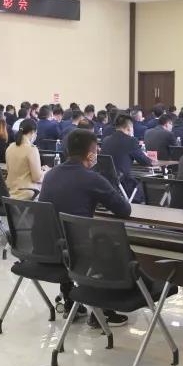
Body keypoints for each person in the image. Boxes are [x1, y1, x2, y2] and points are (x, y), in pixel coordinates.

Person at [39, 128, 132, 327]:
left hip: (48, 248)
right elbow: (124, 210)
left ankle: (71, 301)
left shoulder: (50, 175)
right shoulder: (92, 179)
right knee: (109, 244)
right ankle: (103, 311)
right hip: (77, 252)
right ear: (90, 155)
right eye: (96, 150)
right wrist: (107, 185)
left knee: (68, 234)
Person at [101, 113, 156, 199]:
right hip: (123, 183)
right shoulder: (131, 141)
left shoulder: (106, 140)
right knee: (145, 185)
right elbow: (145, 162)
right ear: (129, 128)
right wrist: (148, 158)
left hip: (106, 181)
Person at [6, 119, 44, 199]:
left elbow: (10, 171)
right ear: (33, 132)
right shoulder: (32, 149)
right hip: (27, 193)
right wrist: (45, 172)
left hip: (10, 192)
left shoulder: (10, 147)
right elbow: (37, 178)